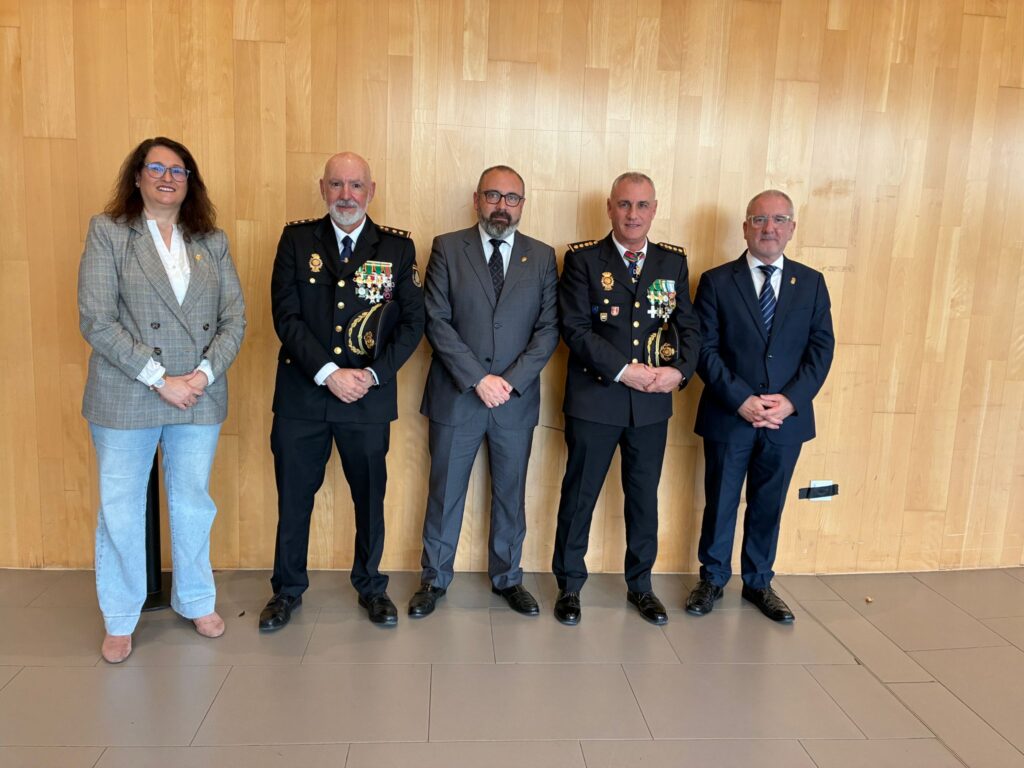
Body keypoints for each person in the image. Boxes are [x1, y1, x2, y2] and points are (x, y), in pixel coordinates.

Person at [78, 137, 247, 663]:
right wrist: (160, 379)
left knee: (193, 501)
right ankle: (120, 616)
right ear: (137, 177)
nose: (168, 177)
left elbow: (234, 318)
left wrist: (201, 374)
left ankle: (196, 599)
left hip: (197, 392)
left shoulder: (210, 240)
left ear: (190, 182)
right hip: (127, 392)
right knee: (122, 507)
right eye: (156, 168)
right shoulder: (109, 232)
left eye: (178, 170)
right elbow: (97, 319)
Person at [261, 152, 424, 630]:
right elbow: (286, 316)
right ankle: (286, 590)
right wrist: (329, 372)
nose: (346, 195)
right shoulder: (296, 241)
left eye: (355, 185)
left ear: (371, 191)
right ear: (323, 189)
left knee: (369, 500)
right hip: (304, 396)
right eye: (336, 184)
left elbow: (413, 323)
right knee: (294, 499)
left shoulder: (397, 249)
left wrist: (372, 376)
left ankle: (371, 586)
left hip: (367, 399)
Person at [409, 165, 559, 619]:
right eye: (493, 196)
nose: (501, 206)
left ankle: (508, 577)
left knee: (511, 495)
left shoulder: (542, 256)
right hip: (458, 396)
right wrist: (478, 378)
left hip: (514, 401)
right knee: (445, 493)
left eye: (512, 198)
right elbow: (436, 319)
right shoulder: (447, 247)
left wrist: (508, 381)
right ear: (477, 199)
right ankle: (434, 579)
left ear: (522, 205)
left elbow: (548, 329)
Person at [552, 172, 700, 626]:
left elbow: (688, 327)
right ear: (610, 208)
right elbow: (575, 328)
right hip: (596, 400)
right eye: (624, 204)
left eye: (642, 205)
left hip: (651, 404)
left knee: (643, 499)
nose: (633, 214)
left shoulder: (672, 262)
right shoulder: (583, 260)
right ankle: (570, 586)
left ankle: (641, 586)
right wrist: (623, 370)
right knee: (580, 496)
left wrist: (679, 372)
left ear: (654, 210)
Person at [687, 189, 834, 622]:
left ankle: (759, 582)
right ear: (745, 227)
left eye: (779, 220)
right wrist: (741, 400)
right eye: (759, 219)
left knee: (769, 503)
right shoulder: (716, 281)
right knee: (721, 501)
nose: (769, 228)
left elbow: (821, 349)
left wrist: (790, 401)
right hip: (730, 415)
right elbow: (704, 349)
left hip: (785, 421)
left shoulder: (811, 283)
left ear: (792, 228)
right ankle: (713, 578)